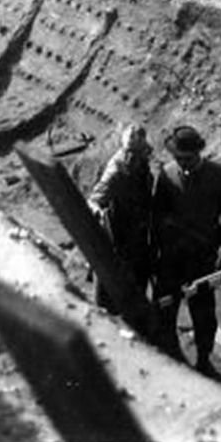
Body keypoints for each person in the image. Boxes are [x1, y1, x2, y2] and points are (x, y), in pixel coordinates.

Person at [151, 125, 221, 376]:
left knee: (203, 312)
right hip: (171, 257)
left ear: (198, 153)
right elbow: (157, 215)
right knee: (166, 307)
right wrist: (159, 248)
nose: (183, 163)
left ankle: (203, 357)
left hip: (202, 257)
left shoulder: (219, 176)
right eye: (178, 158)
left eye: (187, 159)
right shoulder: (166, 175)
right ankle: (170, 353)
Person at [86, 124, 154, 313]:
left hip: (138, 239)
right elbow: (94, 200)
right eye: (132, 153)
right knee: (107, 298)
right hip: (117, 241)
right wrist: (98, 213)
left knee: (137, 293)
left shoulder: (144, 169)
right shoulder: (117, 170)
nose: (135, 157)